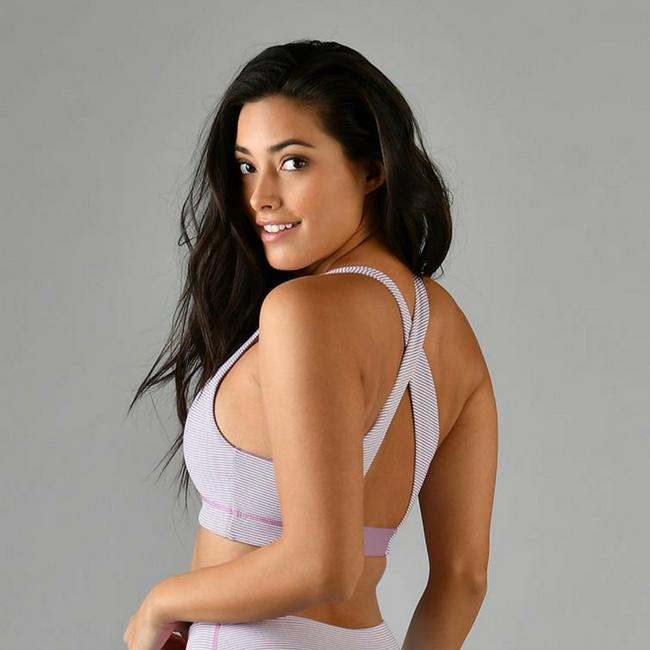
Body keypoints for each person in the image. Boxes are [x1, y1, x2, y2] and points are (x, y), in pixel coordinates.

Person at [124, 39, 497, 650]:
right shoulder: (447, 327)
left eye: (293, 162)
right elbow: (464, 579)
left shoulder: (303, 310)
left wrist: (160, 602)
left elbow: (322, 564)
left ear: (372, 168)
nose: (260, 197)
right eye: (247, 166)